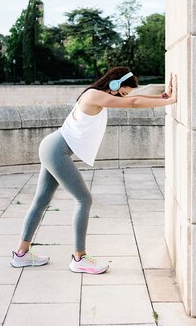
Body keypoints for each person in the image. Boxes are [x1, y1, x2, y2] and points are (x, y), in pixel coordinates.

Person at [10, 66, 178, 274]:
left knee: (41, 201)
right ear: (115, 84)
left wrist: (163, 95)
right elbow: (133, 103)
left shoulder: (98, 94)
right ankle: (79, 258)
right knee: (84, 199)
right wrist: (169, 102)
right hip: (56, 150)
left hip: (52, 147)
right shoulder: (95, 95)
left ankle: (21, 254)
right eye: (123, 91)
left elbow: (135, 97)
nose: (124, 96)